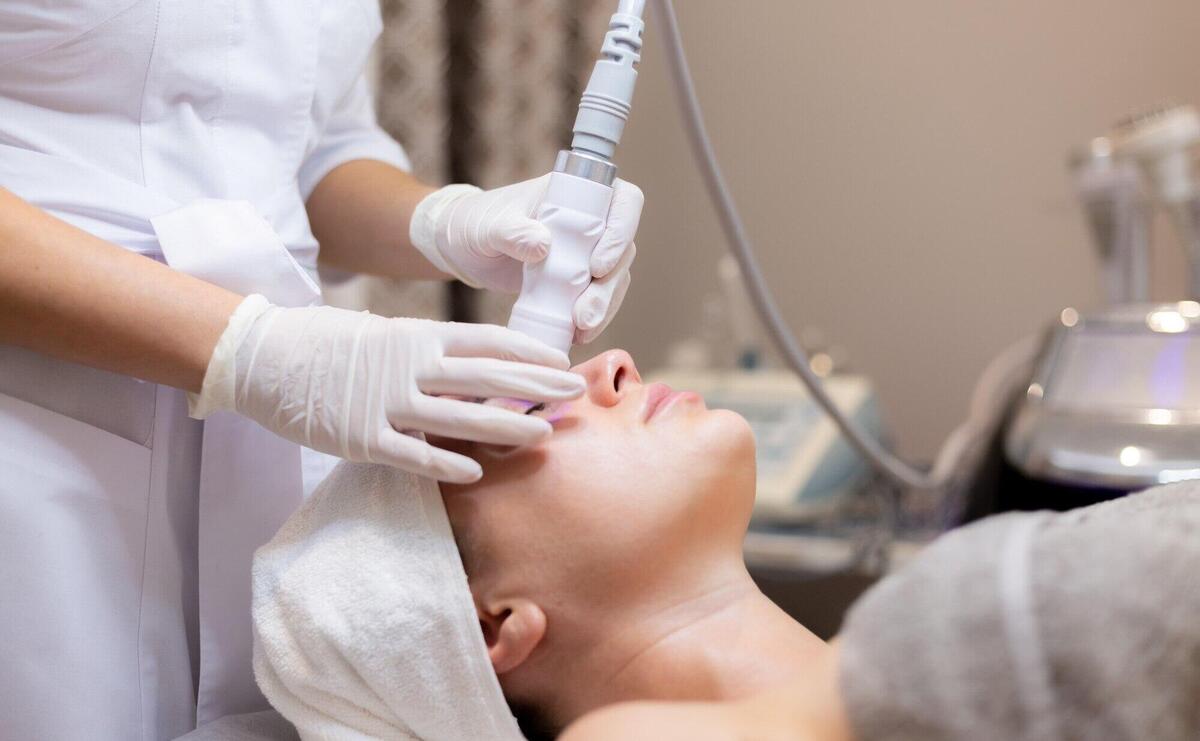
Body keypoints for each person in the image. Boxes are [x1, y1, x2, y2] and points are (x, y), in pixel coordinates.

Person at [0, 3, 642, 739]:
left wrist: (442, 222)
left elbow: (299, 145)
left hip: (258, 460)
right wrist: (253, 350)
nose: (614, 368)